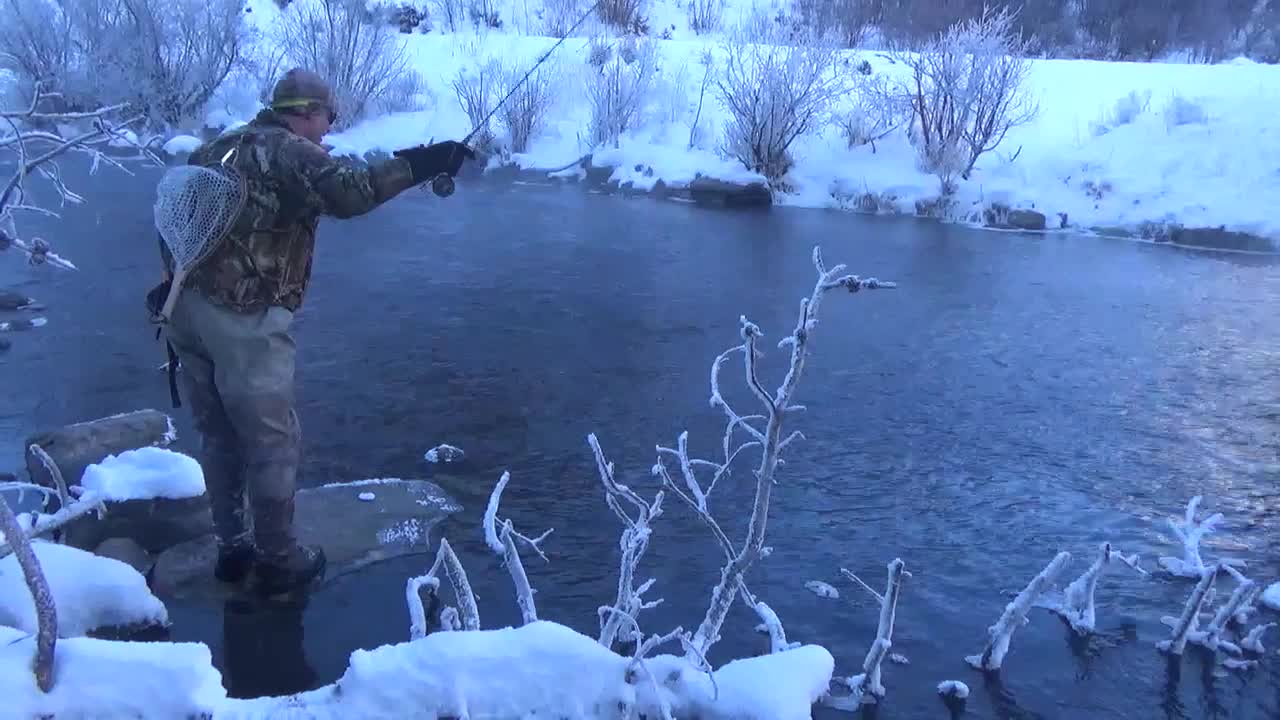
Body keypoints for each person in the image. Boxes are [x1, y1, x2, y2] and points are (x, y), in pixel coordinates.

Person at [152, 68, 474, 596]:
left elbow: (179, 218)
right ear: (304, 111)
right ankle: (279, 559)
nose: (329, 127)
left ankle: (232, 548)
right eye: (328, 116)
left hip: (185, 310)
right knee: (272, 439)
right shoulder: (287, 150)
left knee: (218, 434)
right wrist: (427, 162)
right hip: (244, 319)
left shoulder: (222, 146)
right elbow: (351, 193)